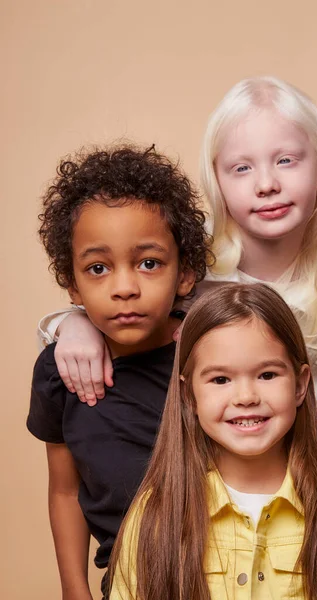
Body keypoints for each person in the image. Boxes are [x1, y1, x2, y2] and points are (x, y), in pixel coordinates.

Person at [36, 76, 317, 417]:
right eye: (242, 168)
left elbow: (310, 414)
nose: (267, 184)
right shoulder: (189, 252)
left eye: (285, 161)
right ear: (217, 182)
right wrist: (74, 325)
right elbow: (109, 295)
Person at [109, 283, 317, 600]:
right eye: (220, 379)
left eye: (267, 375)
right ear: (189, 395)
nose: (246, 397)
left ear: (300, 385)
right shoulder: (155, 517)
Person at [27, 144, 212, 600]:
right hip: (130, 585)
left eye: (149, 263)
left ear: (186, 273)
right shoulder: (59, 372)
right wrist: (74, 587)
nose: (125, 288)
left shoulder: (209, 353)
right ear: (71, 284)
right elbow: (65, 492)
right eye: (98, 268)